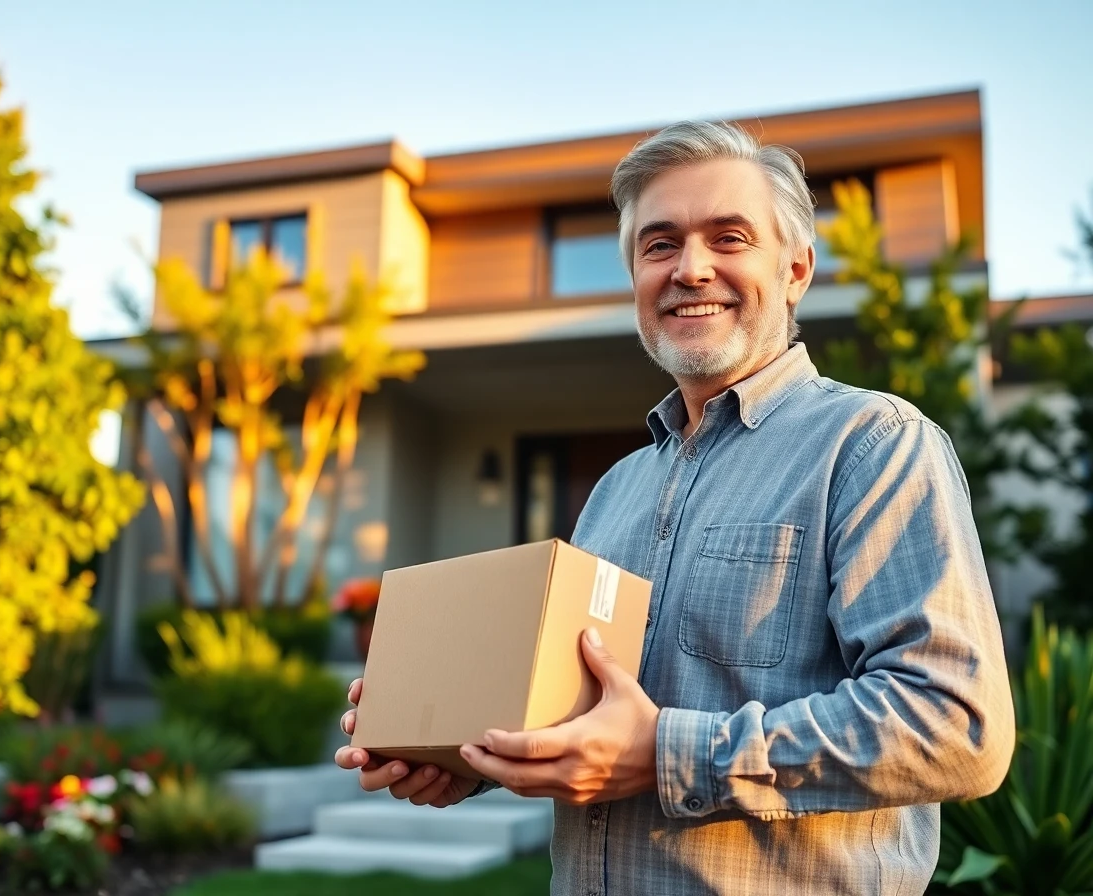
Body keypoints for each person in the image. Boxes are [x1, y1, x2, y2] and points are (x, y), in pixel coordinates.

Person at [335, 120, 1016, 895]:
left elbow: (957, 725)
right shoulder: (617, 489)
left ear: (795, 270)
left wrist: (667, 754)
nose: (691, 269)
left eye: (729, 238)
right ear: (635, 276)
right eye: (659, 245)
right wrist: (463, 753)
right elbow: (586, 720)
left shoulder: (873, 446)